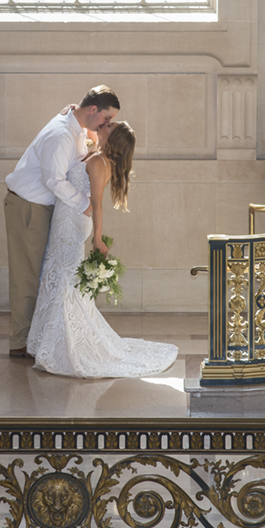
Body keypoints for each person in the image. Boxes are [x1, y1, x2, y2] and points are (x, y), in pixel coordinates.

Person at [26, 120, 179, 378]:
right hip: (67, 217)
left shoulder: (98, 163)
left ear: (112, 137)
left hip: (73, 223)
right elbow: (85, 126)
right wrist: (70, 111)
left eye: (110, 125)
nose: (104, 124)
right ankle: (49, 339)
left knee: (65, 279)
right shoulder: (98, 154)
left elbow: (97, 204)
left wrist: (97, 239)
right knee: (59, 274)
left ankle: (65, 344)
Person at [4, 86, 119, 358]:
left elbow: (88, 147)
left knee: (43, 273)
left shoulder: (78, 127)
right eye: (106, 118)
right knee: (27, 275)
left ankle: (39, 337)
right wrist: (85, 204)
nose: (106, 124)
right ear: (93, 110)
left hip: (47, 208)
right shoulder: (61, 133)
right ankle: (20, 341)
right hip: (28, 206)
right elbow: (53, 179)